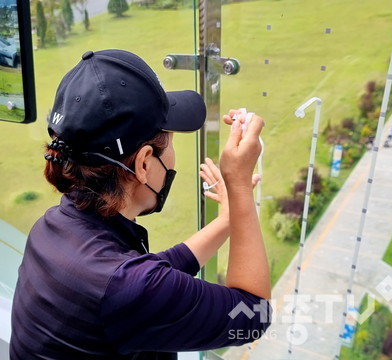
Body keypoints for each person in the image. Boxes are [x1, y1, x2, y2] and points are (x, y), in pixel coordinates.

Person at [10, 49, 271, 359]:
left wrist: (228, 219)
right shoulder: (123, 288)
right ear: (144, 163)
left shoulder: (53, 227)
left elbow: (150, 279)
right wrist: (239, 184)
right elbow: (254, 315)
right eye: (170, 143)